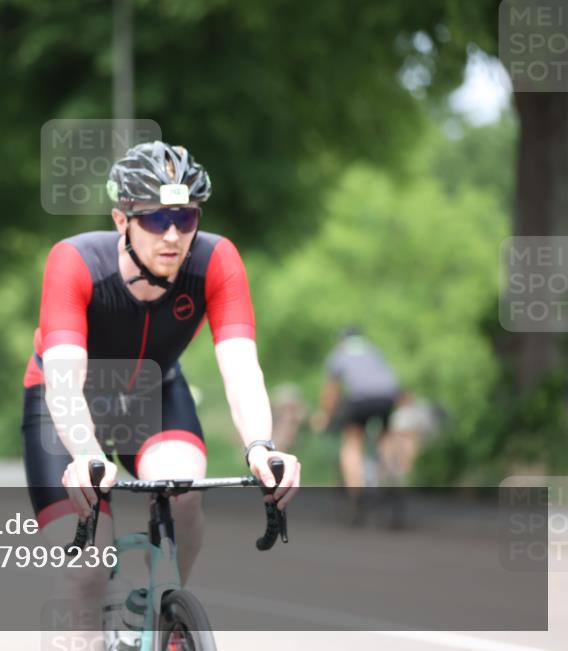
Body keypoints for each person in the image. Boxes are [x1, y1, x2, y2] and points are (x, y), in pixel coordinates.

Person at [21, 141, 301, 646]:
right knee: (86, 571)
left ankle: (160, 615)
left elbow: (241, 367)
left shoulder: (216, 259)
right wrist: (85, 453)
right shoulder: (75, 260)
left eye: (185, 217)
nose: (173, 235)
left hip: (152, 393)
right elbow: (64, 379)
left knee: (185, 493)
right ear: (121, 220)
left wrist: (261, 447)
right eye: (154, 219)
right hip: (63, 403)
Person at [311, 326, 400, 520]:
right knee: (384, 439)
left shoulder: (339, 354)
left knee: (352, 443)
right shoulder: (373, 350)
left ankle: (356, 496)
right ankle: (391, 478)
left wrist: (324, 416)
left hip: (359, 399)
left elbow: (332, 391)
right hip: (386, 398)